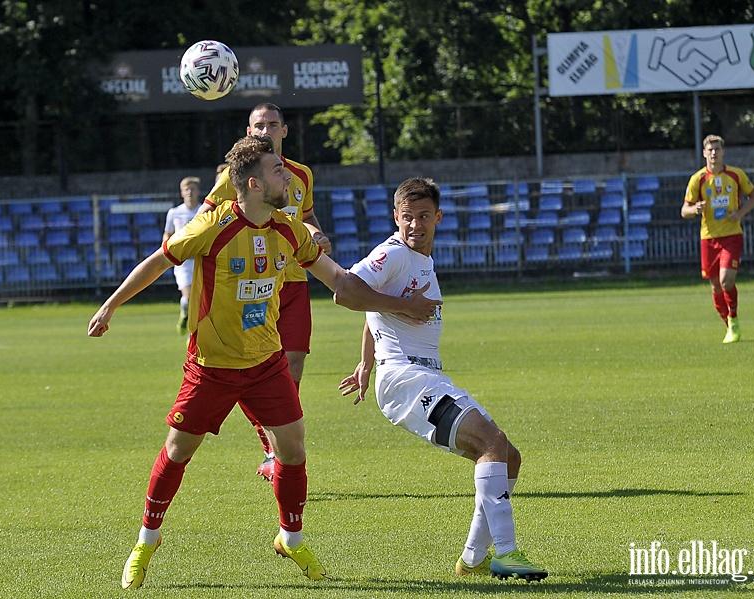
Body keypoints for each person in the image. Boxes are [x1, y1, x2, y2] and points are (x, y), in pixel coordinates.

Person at [88, 136, 440, 590]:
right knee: (177, 451)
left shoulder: (289, 230)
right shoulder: (211, 228)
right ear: (253, 184)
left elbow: (341, 284)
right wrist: (110, 306)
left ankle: (290, 538)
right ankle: (146, 542)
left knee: (292, 451)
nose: (287, 176)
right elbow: (158, 262)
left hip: (266, 364)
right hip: (211, 367)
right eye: (277, 171)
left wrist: (398, 304)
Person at [337, 177, 548, 582]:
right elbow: (347, 290)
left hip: (422, 373)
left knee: (508, 456)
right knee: (492, 443)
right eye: (407, 217)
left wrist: (366, 361)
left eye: (423, 217)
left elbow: (370, 306)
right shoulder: (393, 252)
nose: (415, 225)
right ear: (395, 218)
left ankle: (473, 558)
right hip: (406, 377)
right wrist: (402, 311)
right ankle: (506, 553)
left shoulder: (421, 262)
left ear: (438, 218)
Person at [198, 103, 331, 482]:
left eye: (272, 125)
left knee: (292, 370)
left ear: (284, 131)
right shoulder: (235, 175)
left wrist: (317, 234)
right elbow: (206, 218)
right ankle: (271, 448)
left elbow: (305, 218)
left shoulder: (300, 174)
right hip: (250, 288)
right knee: (248, 370)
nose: (265, 131)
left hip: (293, 283)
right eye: (259, 126)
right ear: (249, 130)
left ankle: (278, 447)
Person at [682, 134, 754, 344]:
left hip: (732, 236)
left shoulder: (736, 175)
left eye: (717, 149)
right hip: (708, 238)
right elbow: (684, 210)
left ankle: (733, 318)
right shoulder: (697, 179)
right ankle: (729, 328)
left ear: (723, 152)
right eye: (710, 150)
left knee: (727, 281)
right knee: (716, 286)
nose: (714, 153)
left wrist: (740, 213)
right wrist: (694, 209)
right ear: (704, 153)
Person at [163, 177, 203, 334]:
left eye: (193, 189)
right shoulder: (174, 213)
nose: (190, 192)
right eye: (187, 189)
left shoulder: (204, 211)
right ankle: (185, 315)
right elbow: (167, 234)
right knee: (188, 298)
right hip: (183, 264)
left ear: (199, 192)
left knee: (200, 300)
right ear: (181, 193)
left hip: (201, 260)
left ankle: (193, 334)